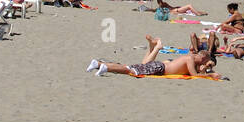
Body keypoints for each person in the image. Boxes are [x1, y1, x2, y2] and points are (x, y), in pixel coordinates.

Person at [86, 35, 220, 78]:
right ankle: (104, 67)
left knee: (131, 67)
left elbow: (196, 72)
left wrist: (204, 69)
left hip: (159, 67)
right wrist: (210, 75)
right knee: (129, 70)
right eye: (208, 62)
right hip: (159, 68)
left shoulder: (190, 57)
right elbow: (194, 76)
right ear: (203, 58)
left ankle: (98, 64)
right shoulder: (190, 58)